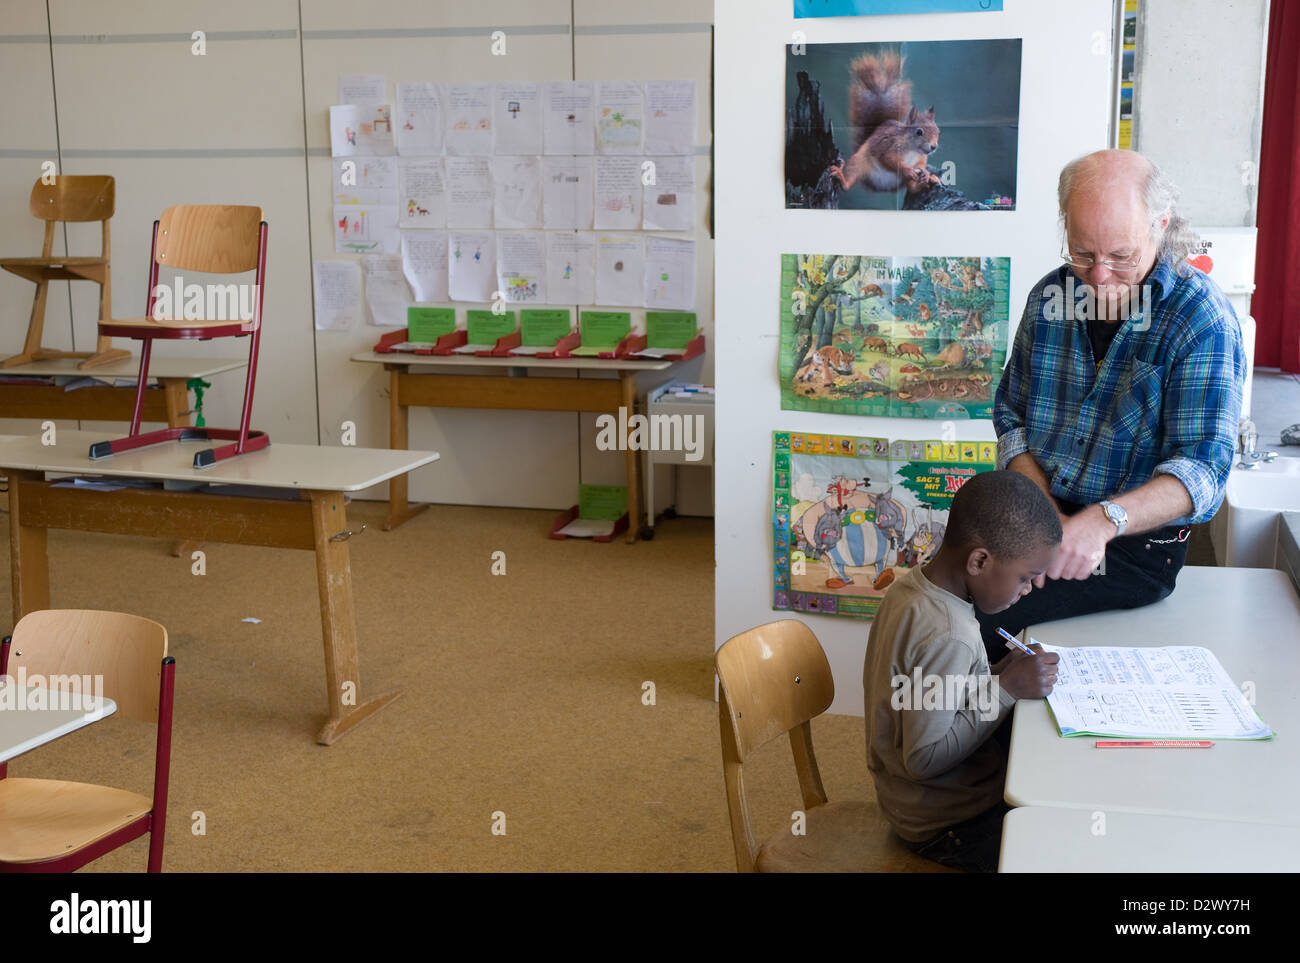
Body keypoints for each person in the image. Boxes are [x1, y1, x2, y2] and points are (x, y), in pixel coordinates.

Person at [979, 149, 1246, 663]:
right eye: (1083, 253)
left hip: (1133, 545)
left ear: (1160, 227)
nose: (1098, 278)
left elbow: (1203, 470)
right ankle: (949, 741)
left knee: (980, 620)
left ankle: (979, 741)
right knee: (934, 595)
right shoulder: (1050, 297)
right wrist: (1044, 512)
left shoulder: (1201, 318)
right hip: (1040, 515)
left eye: (1121, 256)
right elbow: (1011, 414)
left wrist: (1102, 521)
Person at [863, 470, 1062, 873]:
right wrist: (1006, 688)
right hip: (944, 823)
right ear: (979, 560)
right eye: (1024, 577)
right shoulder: (949, 634)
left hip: (910, 800)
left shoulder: (912, 589)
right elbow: (924, 757)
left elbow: (927, 692)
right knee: (1052, 846)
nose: (1028, 590)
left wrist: (999, 671)